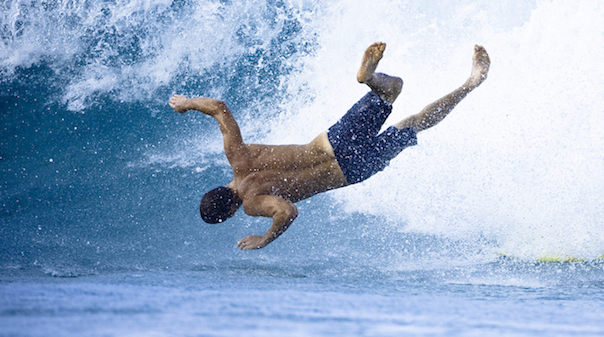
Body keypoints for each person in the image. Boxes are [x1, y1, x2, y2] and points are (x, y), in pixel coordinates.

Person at [169, 42, 490, 250]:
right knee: (393, 89)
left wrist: (264, 239)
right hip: (334, 142)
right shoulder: (238, 157)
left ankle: (471, 82)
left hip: (352, 169)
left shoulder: (253, 203)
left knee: (416, 122)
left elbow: (287, 211)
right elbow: (220, 108)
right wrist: (186, 103)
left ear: (230, 211)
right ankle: (369, 78)